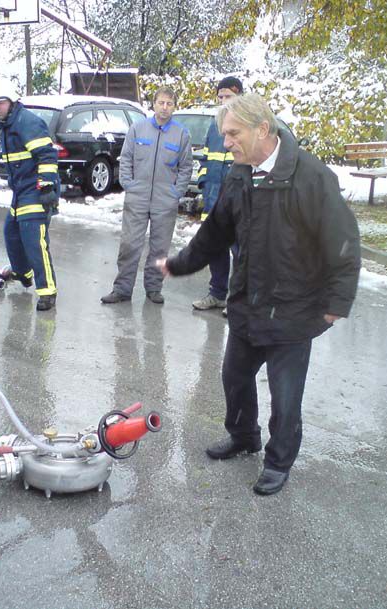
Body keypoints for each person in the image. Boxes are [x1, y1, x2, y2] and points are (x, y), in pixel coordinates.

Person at [158, 93, 360, 496]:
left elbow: (343, 242)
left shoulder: (311, 176)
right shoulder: (239, 174)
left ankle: (278, 462)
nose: (226, 143)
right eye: (224, 135)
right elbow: (215, 233)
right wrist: (179, 264)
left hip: (293, 312)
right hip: (248, 305)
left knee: (285, 399)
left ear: (262, 130)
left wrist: (338, 303)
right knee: (234, 378)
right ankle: (244, 436)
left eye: (233, 134)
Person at [101, 85, 192, 305]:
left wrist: (175, 193)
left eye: (169, 104)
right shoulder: (138, 129)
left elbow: (186, 168)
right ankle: (122, 289)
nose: (165, 107)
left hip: (164, 200)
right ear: (154, 104)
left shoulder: (181, 134)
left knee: (160, 248)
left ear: (174, 107)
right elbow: (126, 159)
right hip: (138, 197)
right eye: (161, 102)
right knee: (130, 245)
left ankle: (153, 288)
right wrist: (129, 185)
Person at [0, 76, 60, 311]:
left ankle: (47, 292)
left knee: (34, 242)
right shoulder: (6, 126)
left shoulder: (27, 122)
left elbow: (47, 155)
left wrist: (46, 186)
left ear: (12, 101)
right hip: (20, 192)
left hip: (36, 191)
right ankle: (23, 274)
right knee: (11, 235)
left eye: (0, 103)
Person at [192, 76, 243, 312]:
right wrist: (203, 183)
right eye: (220, 97)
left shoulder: (248, 124)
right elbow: (206, 158)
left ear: (240, 97)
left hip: (238, 203)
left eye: (228, 97)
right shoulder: (214, 125)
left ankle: (239, 300)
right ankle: (217, 294)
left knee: (241, 253)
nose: (223, 101)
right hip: (213, 200)